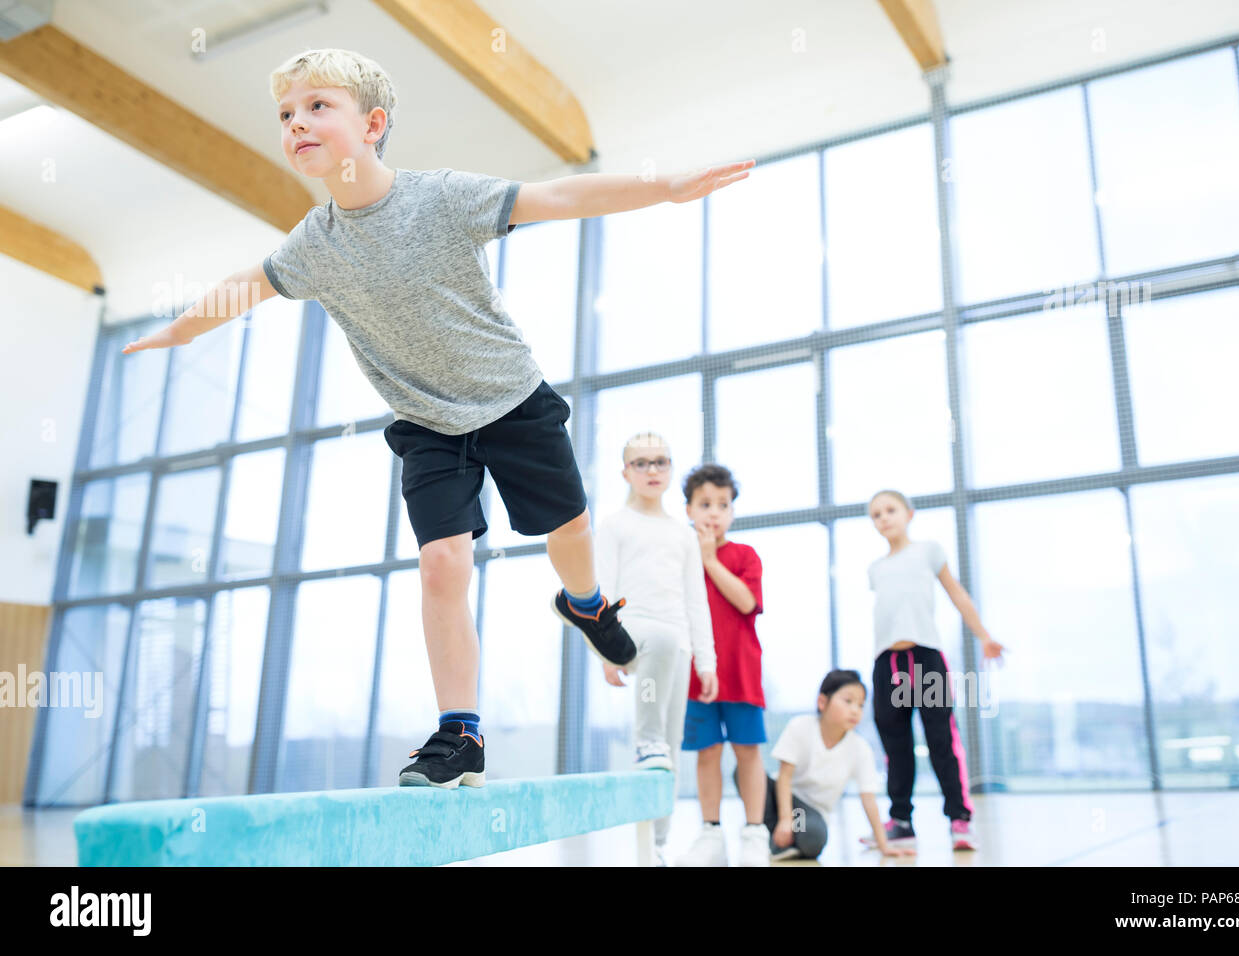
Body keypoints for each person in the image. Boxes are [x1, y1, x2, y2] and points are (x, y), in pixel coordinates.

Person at [120, 47, 753, 789]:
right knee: (441, 564)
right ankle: (461, 734)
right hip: (425, 422)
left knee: (570, 532)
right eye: (286, 115)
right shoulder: (314, 245)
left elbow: (558, 197)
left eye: (317, 106)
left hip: (511, 399)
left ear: (373, 123)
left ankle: (586, 607)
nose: (297, 124)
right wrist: (178, 330)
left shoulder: (440, 198)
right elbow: (244, 286)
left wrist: (666, 186)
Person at [595, 433, 717, 867]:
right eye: (641, 463)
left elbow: (695, 599)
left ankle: (657, 846)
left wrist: (706, 660)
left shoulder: (682, 535)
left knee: (672, 743)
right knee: (654, 739)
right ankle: (645, 741)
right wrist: (606, 652)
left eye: (660, 462)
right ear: (625, 472)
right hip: (631, 635)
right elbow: (602, 591)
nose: (651, 470)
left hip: (676, 645)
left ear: (669, 470)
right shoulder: (613, 526)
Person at [862, 489, 1004, 852]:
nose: (884, 518)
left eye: (890, 510)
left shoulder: (928, 551)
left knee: (942, 740)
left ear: (909, 513)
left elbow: (956, 593)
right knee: (896, 745)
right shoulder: (875, 569)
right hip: (887, 663)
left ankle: (960, 821)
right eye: (876, 514)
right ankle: (902, 823)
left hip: (925, 660)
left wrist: (984, 636)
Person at [673, 464, 770, 867]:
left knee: (747, 750)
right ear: (689, 510)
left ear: (732, 511)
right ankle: (711, 832)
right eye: (705, 504)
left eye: (723, 504)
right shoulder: (678, 557)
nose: (714, 512)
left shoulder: (744, 555)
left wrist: (711, 561)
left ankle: (753, 832)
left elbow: (747, 602)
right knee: (707, 752)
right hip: (695, 676)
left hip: (741, 671)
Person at [764, 670, 913, 862]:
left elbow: (868, 798)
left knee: (813, 838)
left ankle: (783, 842)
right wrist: (785, 819)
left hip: (807, 813)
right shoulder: (800, 726)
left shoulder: (860, 748)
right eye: (848, 701)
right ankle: (771, 834)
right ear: (822, 702)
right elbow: (784, 777)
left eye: (860, 705)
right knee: (748, 776)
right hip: (781, 798)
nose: (855, 710)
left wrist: (883, 845)